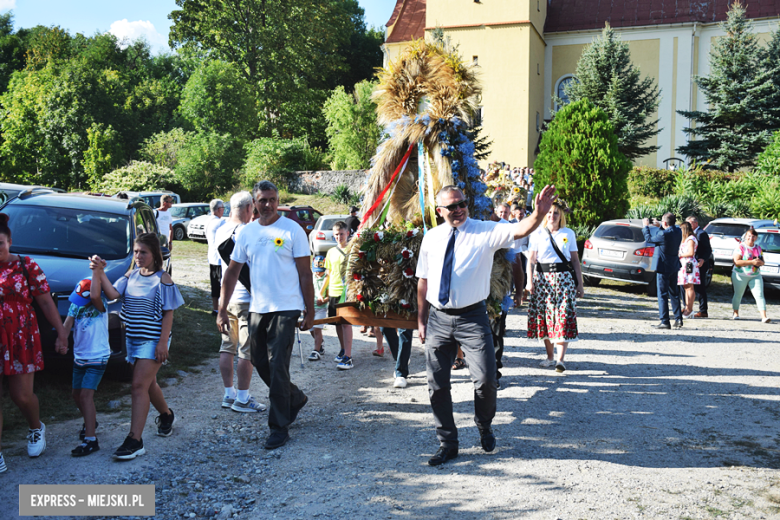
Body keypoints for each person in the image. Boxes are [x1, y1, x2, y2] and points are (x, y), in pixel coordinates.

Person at [416, 183, 557, 466]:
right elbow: (423, 280)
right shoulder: (430, 237)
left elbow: (519, 230)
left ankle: (484, 425)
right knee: (437, 384)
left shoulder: (484, 231)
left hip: (472, 317)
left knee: (485, 379)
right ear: (439, 211)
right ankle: (448, 443)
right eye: (452, 206)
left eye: (462, 203)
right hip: (439, 319)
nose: (458, 210)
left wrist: (538, 215)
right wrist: (421, 319)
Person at [218, 180, 314, 450]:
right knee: (260, 361)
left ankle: (278, 427)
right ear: (255, 203)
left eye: (272, 199)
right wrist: (222, 308)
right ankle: (294, 398)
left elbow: (306, 273)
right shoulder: (247, 233)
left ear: (278, 200)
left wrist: (310, 310)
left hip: (286, 307)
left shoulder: (292, 229)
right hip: (258, 307)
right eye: (262, 200)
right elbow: (232, 272)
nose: (268, 205)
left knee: (278, 364)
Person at [91, 233, 184, 460]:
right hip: (133, 338)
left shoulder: (164, 279)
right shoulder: (131, 275)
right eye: (136, 252)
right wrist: (99, 272)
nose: (139, 256)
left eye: (144, 252)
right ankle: (166, 415)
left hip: (154, 340)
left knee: (137, 386)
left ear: (154, 255)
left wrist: (163, 342)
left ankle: (135, 440)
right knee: (148, 383)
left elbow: (168, 312)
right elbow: (112, 294)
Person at [0, 214, 67, 472]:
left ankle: (35, 427)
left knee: (22, 395)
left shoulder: (27, 266)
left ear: (10, 241)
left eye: (1, 244)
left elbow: (46, 302)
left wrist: (61, 333)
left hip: (20, 336)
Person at [214, 192, 265, 413]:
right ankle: (243, 398)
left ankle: (229, 394)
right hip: (247, 298)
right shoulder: (248, 231)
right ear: (248, 208)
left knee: (227, 347)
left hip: (228, 298)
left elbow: (217, 267)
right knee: (247, 350)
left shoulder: (219, 230)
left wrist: (220, 307)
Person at [526, 199, 584, 373]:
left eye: (556, 213)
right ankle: (550, 357)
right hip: (543, 280)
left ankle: (560, 360)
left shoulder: (569, 233)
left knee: (563, 316)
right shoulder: (537, 233)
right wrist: (529, 281)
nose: (552, 216)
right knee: (545, 317)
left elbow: (574, 260)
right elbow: (531, 260)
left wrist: (580, 284)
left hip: (564, 279)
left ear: (561, 216)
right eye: (549, 212)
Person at [62, 276, 110, 457]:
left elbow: (96, 297)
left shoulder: (101, 305)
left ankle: (91, 439)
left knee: (85, 395)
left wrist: (97, 273)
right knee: (76, 394)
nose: (80, 303)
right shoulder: (76, 305)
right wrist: (62, 340)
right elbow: (67, 325)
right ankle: (91, 422)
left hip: (98, 356)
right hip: (80, 357)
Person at [493, 202, 525, 386]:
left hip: (499, 289)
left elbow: (517, 262)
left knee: (496, 330)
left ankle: (493, 373)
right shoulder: (475, 226)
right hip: (476, 289)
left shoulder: (508, 230)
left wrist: (519, 292)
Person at [643, 213, 683, 330]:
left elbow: (649, 239)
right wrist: (660, 224)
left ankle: (665, 321)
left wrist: (646, 226)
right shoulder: (678, 231)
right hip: (674, 266)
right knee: (674, 293)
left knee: (662, 294)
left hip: (663, 267)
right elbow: (669, 228)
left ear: (665, 223)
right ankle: (678, 318)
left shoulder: (663, 234)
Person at [324, 221, 354, 370]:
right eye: (336, 234)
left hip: (347, 292)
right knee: (337, 323)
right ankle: (343, 349)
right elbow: (328, 274)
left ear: (347, 233)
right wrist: (323, 292)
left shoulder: (352, 250)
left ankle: (348, 356)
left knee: (346, 324)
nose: (339, 237)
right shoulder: (331, 252)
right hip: (334, 291)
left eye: (341, 234)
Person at [731, 228, 771, 323]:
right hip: (740, 274)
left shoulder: (758, 248)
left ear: (756, 238)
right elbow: (736, 261)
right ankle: (735, 313)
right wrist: (751, 262)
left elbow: (762, 261)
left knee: (760, 295)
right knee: (738, 294)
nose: (751, 238)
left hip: (755, 275)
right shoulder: (740, 247)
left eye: (753, 236)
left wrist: (760, 262)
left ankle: (764, 316)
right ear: (745, 237)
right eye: (749, 236)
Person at [687, 216, 712, 318]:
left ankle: (703, 310)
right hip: (689, 263)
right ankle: (687, 307)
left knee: (700, 287)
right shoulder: (689, 234)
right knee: (687, 284)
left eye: (689, 224)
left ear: (695, 223)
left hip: (699, 264)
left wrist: (703, 259)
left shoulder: (701, 234)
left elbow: (708, 250)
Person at [206, 199, 226, 315]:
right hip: (219, 258)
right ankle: (222, 308)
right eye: (223, 208)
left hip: (212, 256)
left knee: (214, 283)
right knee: (222, 283)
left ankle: (215, 308)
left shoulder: (209, 220)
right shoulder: (220, 222)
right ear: (219, 209)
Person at [678, 222, 700, 319]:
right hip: (684, 264)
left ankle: (690, 309)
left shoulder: (691, 239)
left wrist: (680, 255)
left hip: (689, 263)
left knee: (690, 286)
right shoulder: (685, 240)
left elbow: (691, 252)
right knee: (686, 286)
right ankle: (687, 308)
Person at [309, 255, 328, 360]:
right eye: (316, 270)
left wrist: (324, 300)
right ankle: (320, 343)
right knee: (311, 328)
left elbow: (329, 295)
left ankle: (316, 351)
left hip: (321, 308)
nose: (318, 273)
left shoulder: (326, 279)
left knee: (317, 328)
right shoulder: (311, 277)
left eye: (320, 270)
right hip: (310, 307)